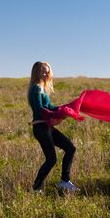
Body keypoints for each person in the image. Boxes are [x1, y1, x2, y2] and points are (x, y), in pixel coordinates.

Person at [28, 61, 79, 192]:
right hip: (41, 128)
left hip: (47, 127)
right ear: (36, 72)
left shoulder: (42, 89)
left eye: (47, 71)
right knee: (51, 159)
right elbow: (40, 110)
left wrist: (66, 108)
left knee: (70, 148)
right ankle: (36, 187)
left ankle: (64, 181)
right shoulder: (36, 88)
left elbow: (49, 107)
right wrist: (59, 115)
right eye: (42, 71)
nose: (45, 73)